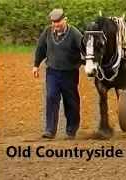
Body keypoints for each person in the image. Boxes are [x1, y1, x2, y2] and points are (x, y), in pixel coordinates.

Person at [32, 9, 83, 140]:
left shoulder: (75, 33)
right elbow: (41, 48)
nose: (56, 24)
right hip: (52, 72)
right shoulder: (48, 32)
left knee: (71, 101)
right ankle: (50, 130)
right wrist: (36, 65)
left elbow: (84, 50)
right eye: (53, 22)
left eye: (58, 21)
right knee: (51, 97)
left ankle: (71, 130)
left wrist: (87, 63)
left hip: (70, 73)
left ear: (65, 20)